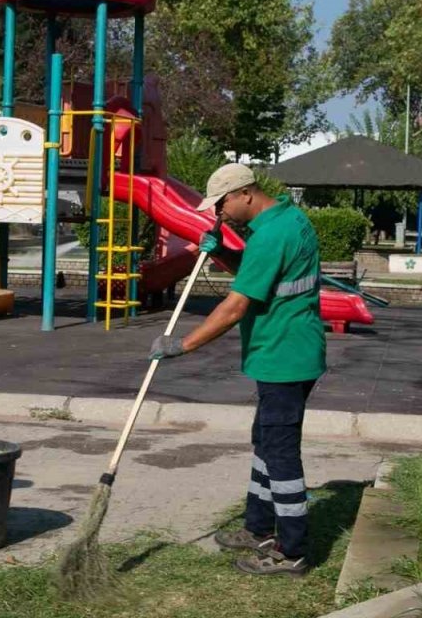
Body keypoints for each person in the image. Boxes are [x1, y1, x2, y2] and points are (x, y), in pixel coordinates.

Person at [150, 163, 325, 577]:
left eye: (222, 204)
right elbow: (265, 273)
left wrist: (183, 345)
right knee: (264, 442)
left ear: (245, 193)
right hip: (285, 351)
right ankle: (258, 527)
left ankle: (292, 550)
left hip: (285, 356)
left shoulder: (271, 235)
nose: (219, 214)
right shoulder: (286, 220)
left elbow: (235, 306)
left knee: (280, 456)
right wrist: (224, 252)